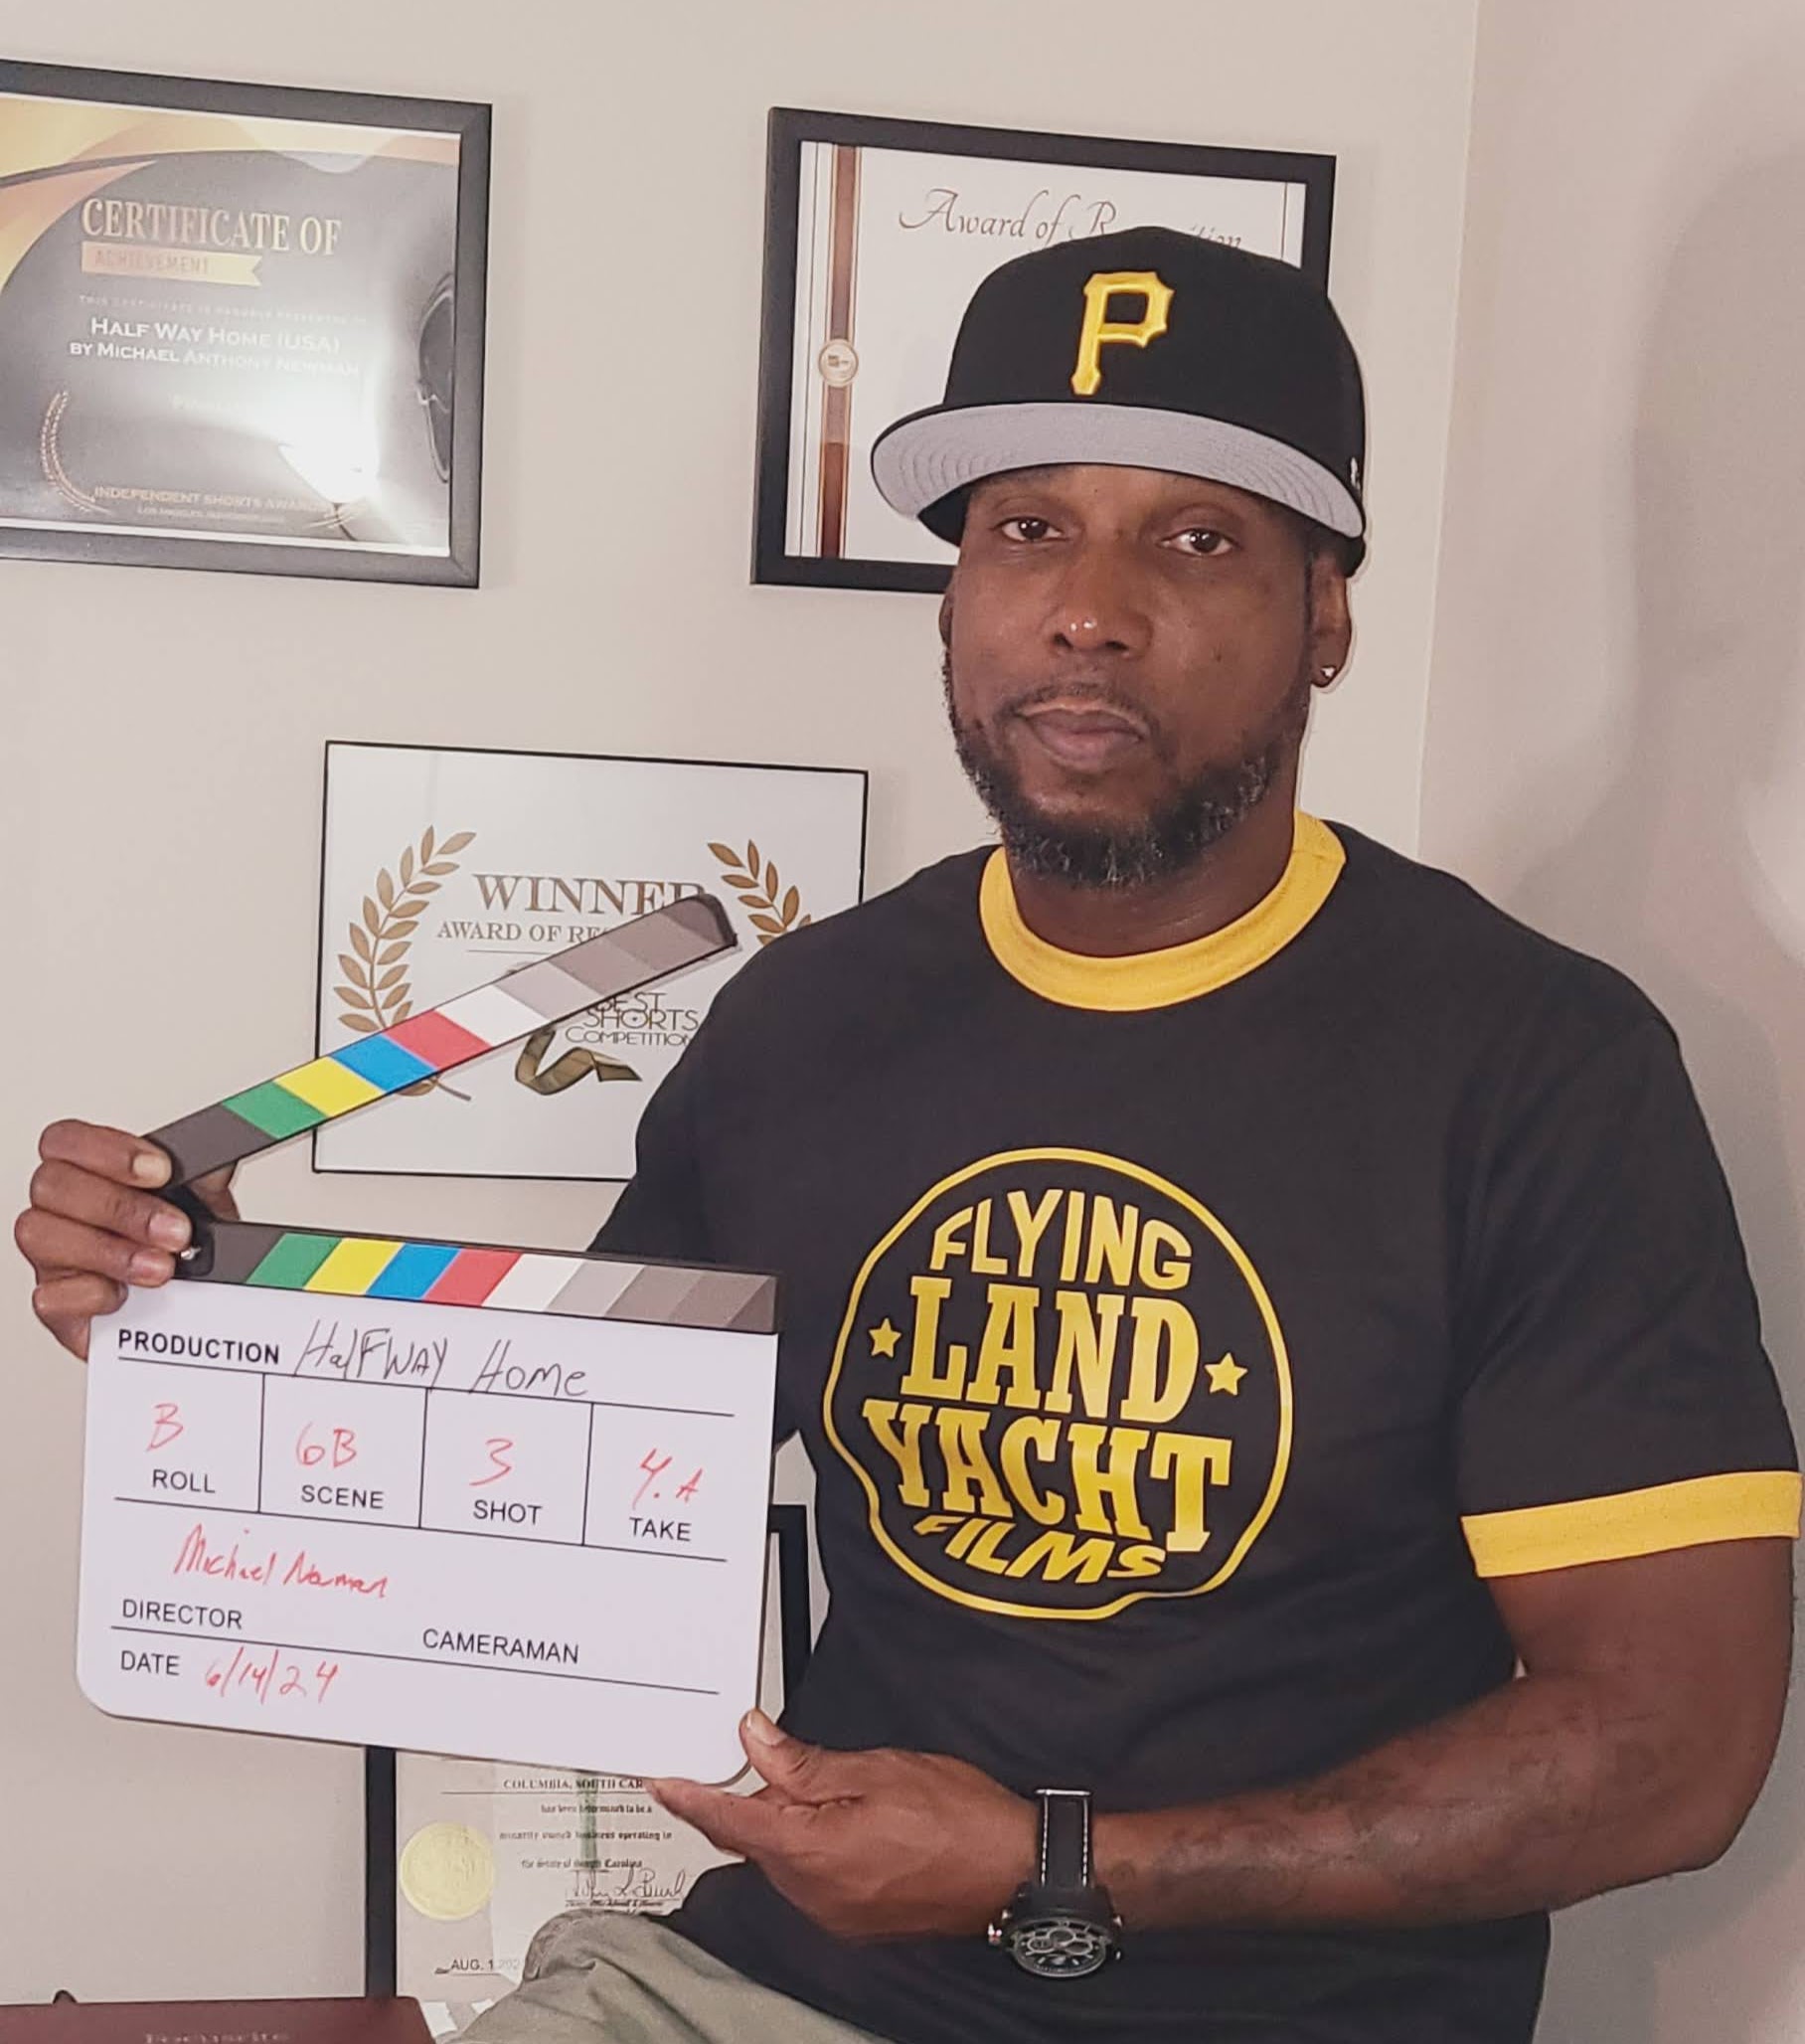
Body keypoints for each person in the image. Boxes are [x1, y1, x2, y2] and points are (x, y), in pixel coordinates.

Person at [18, 228, 1799, 2044]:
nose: (1089, 609)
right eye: (1027, 528)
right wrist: (211, 1323)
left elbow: (1675, 1748)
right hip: (786, 1983)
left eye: (1196, 539)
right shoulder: (809, 1021)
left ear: (1326, 615)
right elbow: (561, 1491)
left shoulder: (1539, 1066)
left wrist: (1063, 1866)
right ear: (953, 602)